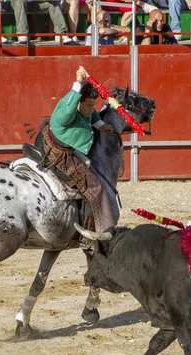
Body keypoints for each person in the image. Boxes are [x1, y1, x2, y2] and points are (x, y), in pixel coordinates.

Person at [42, 66, 116, 233]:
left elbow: (91, 114)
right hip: (62, 155)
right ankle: (102, 230)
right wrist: (77, 83)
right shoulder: (66, 113)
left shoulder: (82, 108)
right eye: (89, 105)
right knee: (95, 187)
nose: (92, 108)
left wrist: (101, 125)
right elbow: (70, 110)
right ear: (77, 103)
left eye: (94, 105)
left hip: (66, 148)